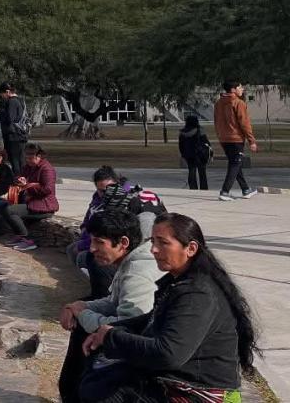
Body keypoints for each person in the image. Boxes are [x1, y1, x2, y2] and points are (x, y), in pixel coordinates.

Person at [80, 214, 257, 403]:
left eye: (163, 243)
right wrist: (108, 331)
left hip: (200, 392)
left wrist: (111, 336)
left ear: (190, 248)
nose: (154, 250)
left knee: (104, 391)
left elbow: (168, 354)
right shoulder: (177, 281)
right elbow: (152, 318)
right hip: (176, 379)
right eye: (153, 241)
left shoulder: (198, 294)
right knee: (97, 374)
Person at [58, 211, 164, 403]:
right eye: (91, 241)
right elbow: (113, 301)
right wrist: (78, 306)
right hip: (133, 339)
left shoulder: (137, 274)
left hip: (146, 354)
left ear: (123, 243)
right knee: (82, 328)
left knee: (90, 366)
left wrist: (82, 314)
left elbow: (127, 327)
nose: (91, 248)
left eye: (99, 242)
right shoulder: (129, 261)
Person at [69, 166, 167, 299]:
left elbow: (141, 248)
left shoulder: (145, 217)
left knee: (96, 259)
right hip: (132, 254)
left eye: (107, 190)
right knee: (91, 256)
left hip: (144, 260)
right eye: (101, 191)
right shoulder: (115, 199)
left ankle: (104, 295)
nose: (104, 194)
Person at [3, 143, 59, 251]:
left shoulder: (47, 169)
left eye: (31, 158)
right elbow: (19, 176)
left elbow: (47, 189)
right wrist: (19, 180)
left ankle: (26, 238)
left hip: (44, 206)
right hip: (31, 202)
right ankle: (21, 236)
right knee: (6, 207)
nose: (28, 160)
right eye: (26, 158)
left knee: (9, 210)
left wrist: (27, 185)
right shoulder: (28, 167)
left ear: (39, 156)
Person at [214, 81, 258, 201]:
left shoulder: (218, 103)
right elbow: (245, 123)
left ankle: (246, 189)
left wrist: (220, 135)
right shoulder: (238, 103)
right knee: (235, 164)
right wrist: (251, 140)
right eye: (240, 87)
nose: (242, 89)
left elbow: (216, 121)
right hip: (236, 139)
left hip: (224, 138)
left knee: (235, 163)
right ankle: (225, 191)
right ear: (233, 90)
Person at [0, 82, 29, 174]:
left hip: (14, 136)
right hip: (20, 135)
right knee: (20, 160)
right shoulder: (20, 100)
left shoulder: (12, 101)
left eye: (2, 95)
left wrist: (0, 111)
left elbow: (10, 118)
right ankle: (22, 179)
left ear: (7, 92)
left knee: (15, 160)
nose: (2, 97)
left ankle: (18, 181)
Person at [177, 115, 211, 191]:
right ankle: (204, 188)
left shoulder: (182, 132)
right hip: (199, 154)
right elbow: (206, 142)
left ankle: (193, 188)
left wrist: (183, 154)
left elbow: (180, 145)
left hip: (188, 155)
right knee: (202, 172)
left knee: (191, 171)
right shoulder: (200, 130)